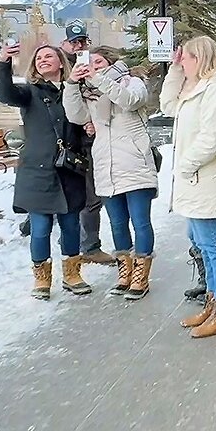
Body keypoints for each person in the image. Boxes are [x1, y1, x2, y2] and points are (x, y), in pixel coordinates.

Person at [161, 36, 216, 339]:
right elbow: (168, 105)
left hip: (208, 179)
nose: (181, 61)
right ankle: (214, 302)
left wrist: (184, 165)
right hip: (198, 181)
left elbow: (212, 138)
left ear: (199, 59)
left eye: (185, 58)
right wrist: (174, 71)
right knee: (206, 245)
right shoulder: (196, 89)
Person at [0, 41, 91, 300]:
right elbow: (4, 93)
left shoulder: (75, 90)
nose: (43, 60)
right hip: (38, 172)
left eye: (49, 56)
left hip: (69, 169)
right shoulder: (30, 93)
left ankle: (72, 275)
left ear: (61, 62)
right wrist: (3, 61)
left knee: (71, 226)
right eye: (39, 58)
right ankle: (42, 279)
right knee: (40, 228)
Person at [64, 46, 159, 300]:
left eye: (98, 62)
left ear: (111, 62)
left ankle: (141, 275)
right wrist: (73, 83)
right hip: (106, 164)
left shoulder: (132, 82)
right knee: (117, 223)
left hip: (134, 162)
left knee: (140, 221)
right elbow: (75, 115)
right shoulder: (90, 92)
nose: (93, 66)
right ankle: (125, 272)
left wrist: (97, 78)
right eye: (90, 63)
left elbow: (129, 101)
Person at [59, 20, 114, 266]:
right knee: (76, 196)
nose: (78, 46)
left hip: (89, 139)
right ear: (65, 44)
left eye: (82, 41)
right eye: (74, 42)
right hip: (66, 140)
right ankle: (79, 244)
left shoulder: (90, 67)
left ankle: (89, 245)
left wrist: (89, 122)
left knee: (93, 195)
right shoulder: (60, 67)